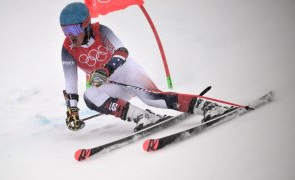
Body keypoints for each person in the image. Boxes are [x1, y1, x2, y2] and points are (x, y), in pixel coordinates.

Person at [60, 2, 246, 132]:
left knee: (153, 99)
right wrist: (72, 110)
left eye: (74, 30)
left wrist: (106, 70)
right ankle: (143, 117)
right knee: (91, 95)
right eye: (65, 31)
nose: (70, 36)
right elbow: (71, 83)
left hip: (126, 73)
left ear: (85, 26)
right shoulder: (68, 49)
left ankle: (207, 106)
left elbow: (122, 52)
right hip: (110, 85)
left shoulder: (101, 31)